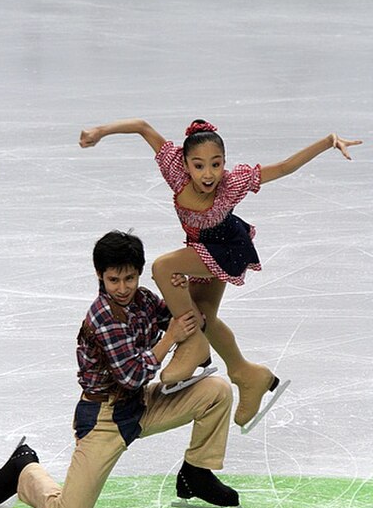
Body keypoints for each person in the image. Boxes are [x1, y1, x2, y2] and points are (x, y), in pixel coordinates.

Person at [79, 119, 362, 427]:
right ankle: (247, 374)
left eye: (216, 164)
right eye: (199, 166)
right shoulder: (175, 171)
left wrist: (329, 141)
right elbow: (143, 127)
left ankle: (194, 346)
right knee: (205, 316)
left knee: (163, 267)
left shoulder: (232, 183)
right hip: (200, 247)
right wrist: (100, 132)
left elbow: (283, 168)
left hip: (227, 249)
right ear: (185, 163)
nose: (209, 174)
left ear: (224, 162)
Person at [0, 230, 240, 508]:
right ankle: (24, 469)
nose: (122, 288)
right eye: (113, 280)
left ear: (139, 274)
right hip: (104, 418)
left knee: (217, 391)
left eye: (129, 278)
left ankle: (196, 473)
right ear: (100, 275)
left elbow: (181, 319)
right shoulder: (102, 315)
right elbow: (131, 375)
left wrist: (181, 294)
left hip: (141, 404)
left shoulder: (142, 300)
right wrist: (169, 338)